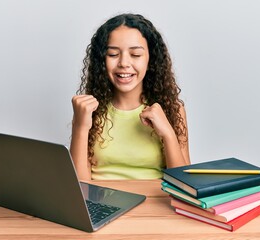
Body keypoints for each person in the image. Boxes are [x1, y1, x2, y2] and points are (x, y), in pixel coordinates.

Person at [70, 13, 190, 180]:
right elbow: (79, 187)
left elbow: (185, 185)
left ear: (151, 60)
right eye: (112, 54)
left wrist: (168, 134)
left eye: (135, 55)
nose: (124, 63)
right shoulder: (88, 109)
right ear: (101, 60)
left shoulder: (173, 108)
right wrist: (80, 126)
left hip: (154, 203)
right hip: (102, 202)